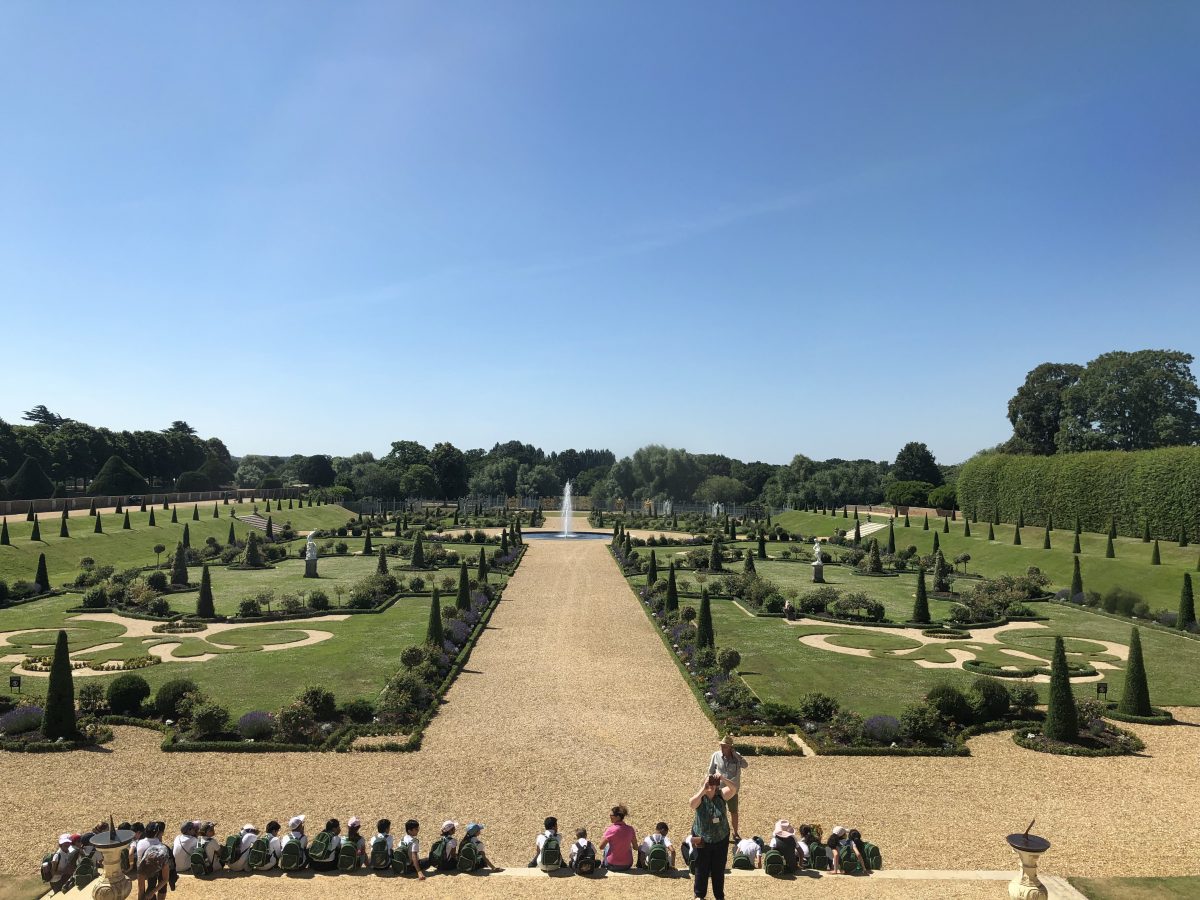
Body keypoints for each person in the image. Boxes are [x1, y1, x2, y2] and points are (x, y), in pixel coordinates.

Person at [689, 772, 737, 900]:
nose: (711, 785)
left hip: (721, 838)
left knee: (718, 869)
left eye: (712, 782)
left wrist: (722, 778)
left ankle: (719, 896)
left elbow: (734, 788)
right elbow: (692, 804)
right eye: (708, 782)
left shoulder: (721, 794)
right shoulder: (701, 797)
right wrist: (703, 790)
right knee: (701, 867)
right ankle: (699, 895)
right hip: (701, 837)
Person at [708, 735, 748, 840]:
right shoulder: (715, 755)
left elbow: (745, 765)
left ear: (730, 747)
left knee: (734, 812)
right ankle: (717, 831)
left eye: (725, 746)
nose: (722, 747)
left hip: (732, 791)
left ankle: (735, 833)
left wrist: (736, 755)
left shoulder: (737, 756)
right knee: (717, 813)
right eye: (721, 745)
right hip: (719, 790)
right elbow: (710, 771)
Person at [135, 821, 171, 900]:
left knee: (141, 890)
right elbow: (165, 879)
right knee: (162, 887)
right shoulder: (163, 848)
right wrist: (152, 893)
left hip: (142, 869)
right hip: (158, 870)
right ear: (157, 833)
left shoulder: (140, 843)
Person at [598, 804, 637, 872]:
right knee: (628, 846)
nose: (610, 817)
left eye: (611, 815)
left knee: (607, 846)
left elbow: (601, 846)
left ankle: (603, 866)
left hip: (612, 865)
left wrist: (604, 835)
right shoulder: (630, 829)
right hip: (627, 865)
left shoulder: (610, 829)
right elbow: (635, 847)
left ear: (618, 817)